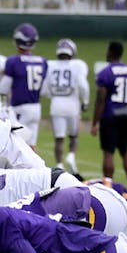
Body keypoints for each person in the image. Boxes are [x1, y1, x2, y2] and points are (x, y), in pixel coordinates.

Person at [91, 41, 127, 194]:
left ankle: (108, 189)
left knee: (108, 152)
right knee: (125, 151)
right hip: (126, 114)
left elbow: (101, 99)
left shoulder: (105, 73)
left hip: (110, 115)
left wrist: (95, 122)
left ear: (111, 52)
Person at [45, 38, 90, 174]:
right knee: (73, 136)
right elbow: (83, 85)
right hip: (72, 104)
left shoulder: (50, 65)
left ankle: (59, 164)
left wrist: (51, 95)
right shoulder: (78, 65)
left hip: (56, 104)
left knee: (59, 139)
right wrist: (86, 101)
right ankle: (71, 155)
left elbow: (45, 88)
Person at [1, 23, 46, 149]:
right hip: (36, 107)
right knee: (31, 146)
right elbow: (44, 88)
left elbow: (3, 89)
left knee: (15, 145)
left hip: (20, 108)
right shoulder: (42, 61)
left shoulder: (13, 61)